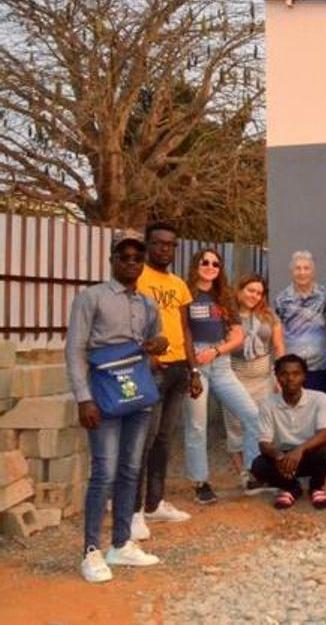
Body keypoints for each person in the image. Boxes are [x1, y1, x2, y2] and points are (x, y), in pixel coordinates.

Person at [67, 230, 167, 583]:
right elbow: (76, 349)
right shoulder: (91, 297)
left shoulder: (147, 303)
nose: (131, 263)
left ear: (142, 264)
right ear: (112, 261)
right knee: (104, 472)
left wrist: (158, 344)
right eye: (123, 257)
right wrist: (83, 397)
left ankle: (121, 543)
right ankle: (91, 551)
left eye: (137, 258)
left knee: (130, 469)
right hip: (103, 396)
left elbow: (156, 341)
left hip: (137, 394)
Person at [131, 222, 195, 540]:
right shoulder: (137, 276)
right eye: (158, 244)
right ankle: (133, 510)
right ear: (147, 245)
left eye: (170, 245)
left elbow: (185, 329)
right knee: (145, 438)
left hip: (178, 368)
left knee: (165, 439)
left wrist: (193, 369)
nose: (164, 250)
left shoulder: (179, 284)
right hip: (151, 368)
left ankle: (155, 503)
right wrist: (147, 356)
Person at [183, 248, 261, 503]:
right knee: (197, 424)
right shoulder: (186, 293)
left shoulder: (224, 297)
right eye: (205, 262)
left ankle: (250, 472)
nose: (210, 267)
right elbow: (183, 331)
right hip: (195, 363)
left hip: (220, 361)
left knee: (252, 414)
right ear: (196, 264)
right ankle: (200, 481)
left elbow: (238, 336)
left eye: (215, 264)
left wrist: (217, 350)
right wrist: (195, 362)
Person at [250, 355, 326, 510]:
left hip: (309, 453)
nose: (290, 379)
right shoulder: (267, 403)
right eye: (284, 374)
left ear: (304, 376)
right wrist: (279, 457)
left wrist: (300, 450)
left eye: (296, 374)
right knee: (258, 466)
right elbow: (264, 442)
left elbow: (325, 433)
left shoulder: (319, 398)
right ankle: (291, 488)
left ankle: (316, 487)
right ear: (277, 377)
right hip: (283, 458)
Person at [227, 274, 285, 485]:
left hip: (263, 378)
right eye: (251, 290)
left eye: (259, 293)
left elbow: (278, 346)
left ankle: (260, 473)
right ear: (240, 290)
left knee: (263, 426)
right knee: (236, 427)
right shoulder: (227, 314)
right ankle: (244, 474)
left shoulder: (268, 315)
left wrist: (280, 375)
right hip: (234, 377)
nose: (254, 296)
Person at [273, 251, 326, 396]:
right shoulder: (281, 300)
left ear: (313, 271)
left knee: (319, 411)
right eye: (298, 268)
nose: (302, 272)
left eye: (306, 268)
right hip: (291, 370)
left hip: (319, 367)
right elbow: (276, 335)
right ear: (291, 271)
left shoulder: (325, 296)